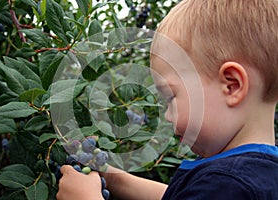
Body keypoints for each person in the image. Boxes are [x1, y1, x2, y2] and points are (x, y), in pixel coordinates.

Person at [56, 0, 278, 199]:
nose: (168, 116)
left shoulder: (229, 183)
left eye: (171, 97)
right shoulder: (254, 175)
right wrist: (115, 179)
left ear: (232, 85)